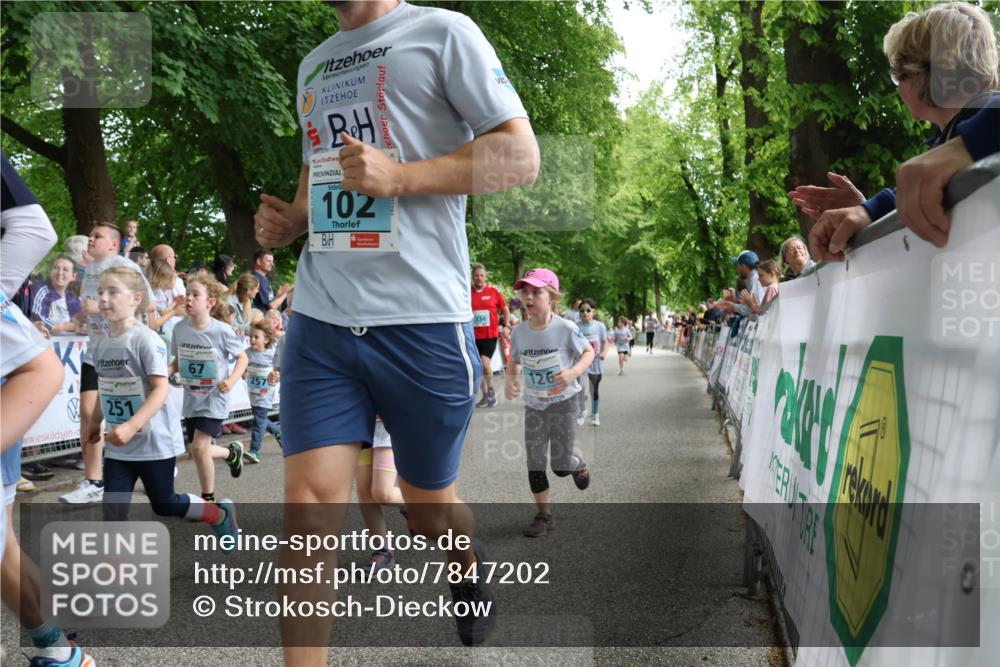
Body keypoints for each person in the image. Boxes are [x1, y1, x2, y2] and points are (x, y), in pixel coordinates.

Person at [253, 0, 538, 657]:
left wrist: (402, 177)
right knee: (307, 509)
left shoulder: (442, 33)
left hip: (422, 320)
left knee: (427, 508)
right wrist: (294, 220)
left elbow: (521, 156)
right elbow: (319, 171)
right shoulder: (314, 63)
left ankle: (464, 564)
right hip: (323, 317)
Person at [797, 2, 999, 260]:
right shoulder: (946, 143)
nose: (898, 88)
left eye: (898, 75)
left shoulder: (983, 116)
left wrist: (965, 147)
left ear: (930, 71)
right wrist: (868, 210)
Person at [86, 265, 238, 548]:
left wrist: (132, 425)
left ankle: (219, 515)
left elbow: (161, 388)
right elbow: (106, 388)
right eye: (100, 292)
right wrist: (95, 422)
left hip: (153, 442)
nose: (104, 299)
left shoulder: (146, 340)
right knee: (112, 511)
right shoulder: (100, 344)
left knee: (165, 503)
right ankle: (115, 572)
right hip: (119, 445)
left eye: (113, 292)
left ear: (136, 299)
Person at [60, 224, 153, 505]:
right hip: (96, 351)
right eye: (90, 235)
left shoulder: (126, 266)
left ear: (113, 244)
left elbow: (148, 304)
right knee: (88, 414)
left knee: (131, 412)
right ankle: (93, 481)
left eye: (97, 236)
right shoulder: (89, 270)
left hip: (125, 350)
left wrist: (101, 308)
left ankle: (154, 462)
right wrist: (78, 320)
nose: (90, 239)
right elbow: (88, 311)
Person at [505, 268, 593, 538]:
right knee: (534, 461)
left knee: (560, 465)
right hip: (535, 404)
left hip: (564, 402)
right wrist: (511, 380)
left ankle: (576, 464)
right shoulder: (519, 332)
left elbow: (589, 352)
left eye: (537, 292)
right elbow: (514, 359)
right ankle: (544, 515)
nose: (529, 297)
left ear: (552, 297)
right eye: (525, 292)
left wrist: (572, 373)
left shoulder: (565, 328)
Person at [169, 272, 247, 503]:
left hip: (214, 397)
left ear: (210, 302)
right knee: (196, 449)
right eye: (187, 294)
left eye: (195, 295)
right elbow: (178, 360)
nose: (189, 298)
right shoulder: (179, 329)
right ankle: (231, 453)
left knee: (200, 447)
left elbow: (242, 358)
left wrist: (231, 381)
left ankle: (208, 499)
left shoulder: (221, 330)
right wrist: (163, 373)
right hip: (192, 398)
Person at [354, 418, 408, 571]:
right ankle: (383, 550)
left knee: (383, 493)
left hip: (387, 427)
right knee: (364, 491)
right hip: (359, 426)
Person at [470, 263, 510, 408]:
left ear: (486, 276)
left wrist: (506, 325)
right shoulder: (467, 292)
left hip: (489, 336)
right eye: (476, 275)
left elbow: (505, 309)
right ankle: (485, 395)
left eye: (481, 275)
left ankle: (491, 391)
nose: (479, 278)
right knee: (477, 367)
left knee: (484, 364)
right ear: (473, 277)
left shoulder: (494, 291)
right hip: (473, 336)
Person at [243, 321, 282, 464]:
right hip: (253, 391)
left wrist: (276, 375)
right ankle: (277, 431)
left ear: (266, 339)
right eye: (251, 337)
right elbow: (242, 367)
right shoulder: (247, 353)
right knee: (260, 418)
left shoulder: (272, 353)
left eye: (256, 337)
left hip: (266, 393)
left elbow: (279, 369)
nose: (252, 340)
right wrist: (244, 373)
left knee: (258, 420)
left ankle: (254, 450)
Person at [576, 299, 612, 426]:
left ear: (594, 312)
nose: (585, 313)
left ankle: (595, 414)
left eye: (588, 310)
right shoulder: (576, 326)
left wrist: (604, 353)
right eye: (582, 311)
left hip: (595, 363)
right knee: (580, 388)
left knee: (594, 389)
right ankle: (582, 411)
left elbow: (606, 341)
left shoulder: (599, 326)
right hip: (581, 362)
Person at [30, 254, 81, 336]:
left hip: (66, 342)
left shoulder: (72, 297)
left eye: (65, 269)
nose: (60, 272)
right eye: (56, 268)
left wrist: (82, 326)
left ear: (73, 276)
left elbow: (81, 320)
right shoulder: (40, 289)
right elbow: (39, 323)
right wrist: (71, 326)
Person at [147, 258, 186, 348]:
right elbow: (153, 324)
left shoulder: (152, 292)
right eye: (170, 278)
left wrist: (175, 303)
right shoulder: (150, 294)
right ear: (161, 278)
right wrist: (174, 312)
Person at [228, 272, 260, 338]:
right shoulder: (229, 302)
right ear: (249, 290)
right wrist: (252, 325)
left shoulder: (247, 302)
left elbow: (243, 327)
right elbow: (232, 326)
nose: (258, 291)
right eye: (257, 288)